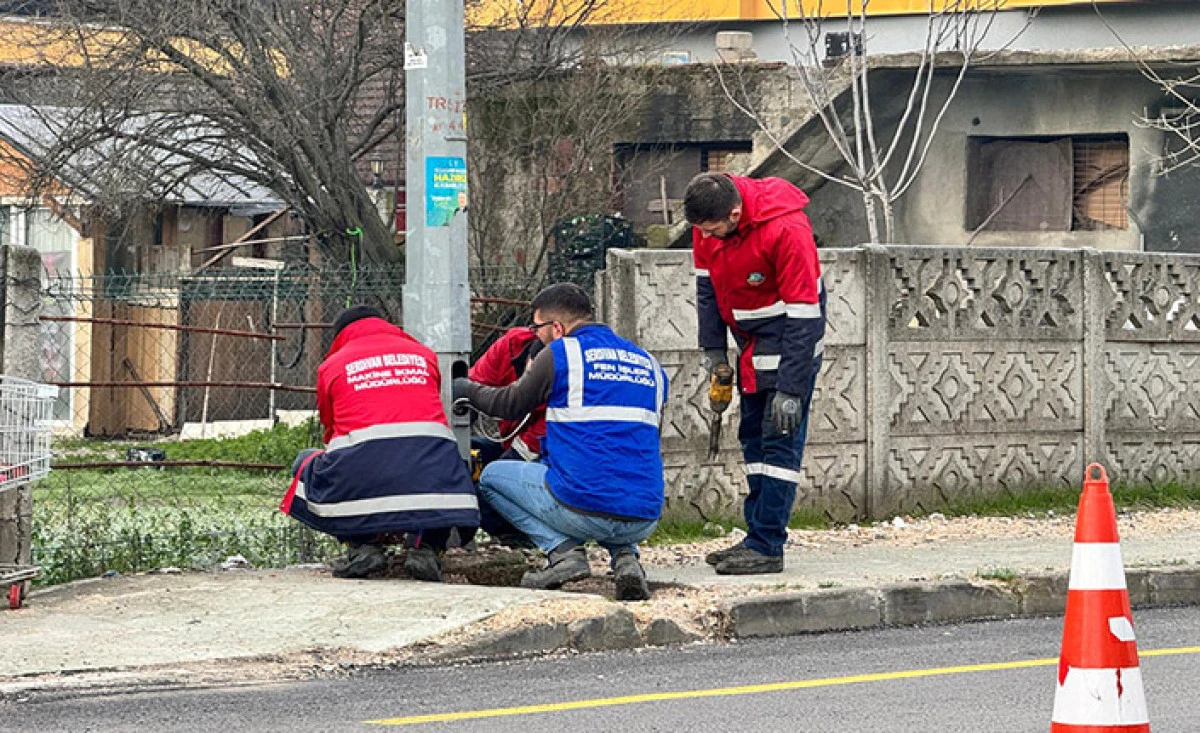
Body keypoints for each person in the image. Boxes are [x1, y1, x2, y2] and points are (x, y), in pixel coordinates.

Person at [452, 283, 668, 601]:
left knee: (493, 476)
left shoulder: (562, 352)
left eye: (537, 326)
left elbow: (509, 404)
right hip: (645, 516)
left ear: (557, 327)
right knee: (614, 476)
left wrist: (464, 388)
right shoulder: (648, 363)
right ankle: (625, 559)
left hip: (582, 508)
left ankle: (564, 554)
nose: (534, 334)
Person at [684, 172, 825, 575]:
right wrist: (714, 350)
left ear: (734, 213)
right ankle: (756, 536)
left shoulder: (787, 229)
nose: (706, 240)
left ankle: (768, 546)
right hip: (750, 343)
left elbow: (804, 315)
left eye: (713, 231)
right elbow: (707, 289)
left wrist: (791, 389)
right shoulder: (708, 225)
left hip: (790, 339)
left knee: (779, 440)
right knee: (752, 438)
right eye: (701, 232)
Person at [281, 306, 480, 581]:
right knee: (441, 465)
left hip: (361, 474)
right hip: (432, 477)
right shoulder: (425, 356)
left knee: (305, 459)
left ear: (340, 336)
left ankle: (362, 545)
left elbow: (332, 431)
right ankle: (426, 548)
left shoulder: (332, 365)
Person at [467, 327, 547, 548]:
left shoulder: (567, 375)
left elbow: (530, 447)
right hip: (511, 441)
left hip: (541, 453)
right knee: (467, 454)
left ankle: (522, 537)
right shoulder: (512, 346)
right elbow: (474, 385)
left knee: (489, 486)